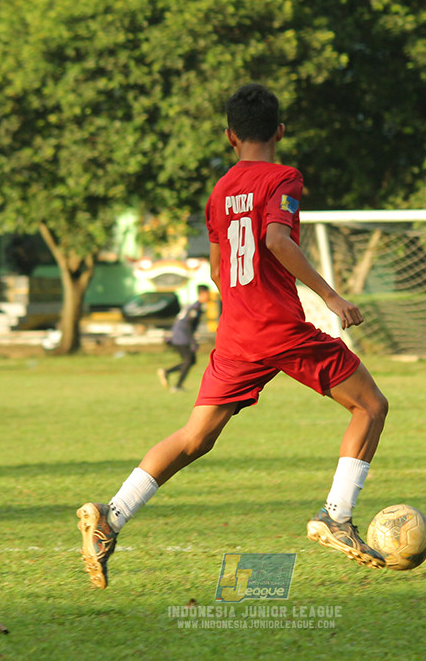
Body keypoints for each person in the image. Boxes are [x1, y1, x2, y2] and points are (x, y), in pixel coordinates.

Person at [78, 83, 389, 589]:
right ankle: (336, 516)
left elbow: (218, 269)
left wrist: (245, 306)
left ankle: (110, 518)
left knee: (195, 437)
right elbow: (275, 238)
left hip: (238, 334)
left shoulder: (220, 191)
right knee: (370, 406)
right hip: (279, 328)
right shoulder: (284, 177)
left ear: (230, 136)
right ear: (280, 131)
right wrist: (331, 297)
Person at [158, 285, 211, 392]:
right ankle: (177, 385)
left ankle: (167, 373)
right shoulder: (195, 307)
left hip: (181, 336)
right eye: (208, 294)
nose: (209, 296)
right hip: (182, 336)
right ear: (202, 294)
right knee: (188, 360)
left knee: (190, 361)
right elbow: (188, 324)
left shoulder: (197, 306)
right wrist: (192, 341)